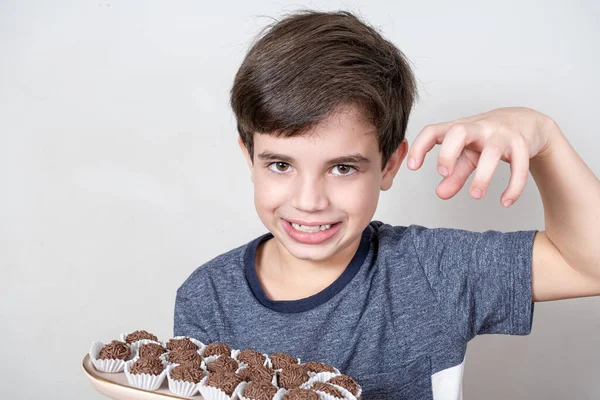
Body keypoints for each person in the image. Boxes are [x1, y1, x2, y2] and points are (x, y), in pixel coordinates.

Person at [174, 10, 600, 399]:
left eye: (342, 168)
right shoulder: (207, 298)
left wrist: (544, 136)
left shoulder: (431, 272)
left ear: (390, 165)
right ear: (250, 158)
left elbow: (588, 264)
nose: (308, 201)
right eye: (281, 165)